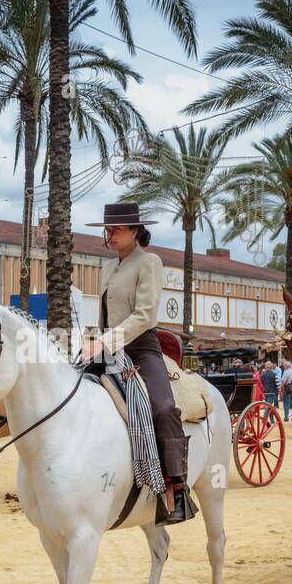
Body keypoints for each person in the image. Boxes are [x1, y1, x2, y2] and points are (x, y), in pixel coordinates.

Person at [81, 202, 192, 524]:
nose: (109, 235)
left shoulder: (149, 262)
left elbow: (145, 315)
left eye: (116, 230)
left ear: (135, 231)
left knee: (163, 408)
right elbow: (103, 315)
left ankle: (176, 487)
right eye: (107, 230)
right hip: (106, 348)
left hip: (141, 348)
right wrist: (90, 339)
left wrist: (104, 340)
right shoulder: (108, 266)